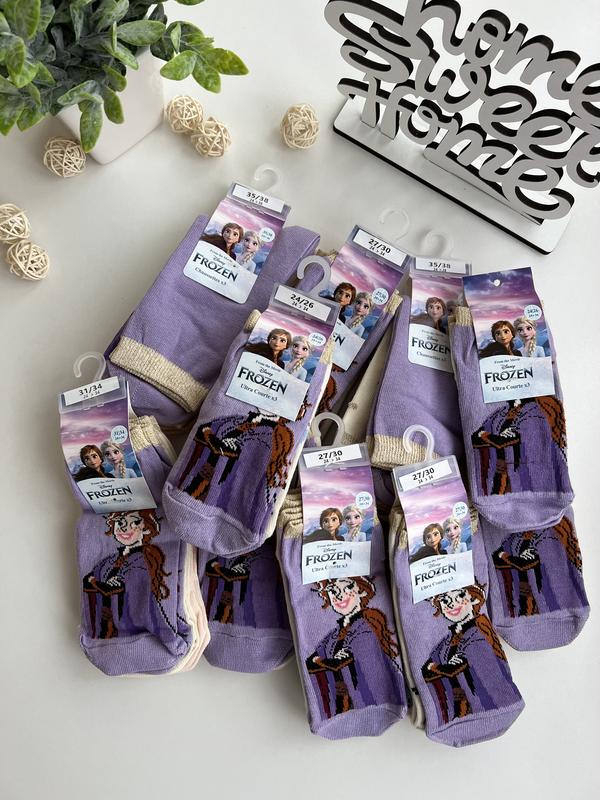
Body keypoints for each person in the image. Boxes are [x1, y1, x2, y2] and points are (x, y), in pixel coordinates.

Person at [421, 583, 521, 725]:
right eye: (444, 600)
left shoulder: (478, 632)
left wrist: (434, 667)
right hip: (461, 707)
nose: (451, 604)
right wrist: (438, 667)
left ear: (474, 598)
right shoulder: (450, 638)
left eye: (460, 596)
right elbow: (425, 669)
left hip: (487, 703)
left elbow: (451, 669)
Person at [305, 576, 405, 719]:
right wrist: (327, 662)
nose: (339, 596)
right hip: (344, 703)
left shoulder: (366, 627)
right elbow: (310, 661)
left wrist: (322, 661)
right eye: (332, 591)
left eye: (347, 587)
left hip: (369, 698)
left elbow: (338, 663)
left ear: (362, 590)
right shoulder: (336, 634)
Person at [82, 510, 173, 639]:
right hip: (106, 627)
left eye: (135, 522)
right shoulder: (110, 560)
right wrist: (98, 584)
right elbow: (90, 580)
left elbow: (112, 588)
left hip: (131, 625)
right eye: (119, 523)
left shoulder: (142, 560)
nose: (124, 528)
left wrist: (94, 582)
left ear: (146, 528)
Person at [471, 396, 569, 496]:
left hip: (522, 474)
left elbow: (502, 442)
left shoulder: (533, 412)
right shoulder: (502, 412)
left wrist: (483, 435)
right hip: (500, 474)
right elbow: (474, 437)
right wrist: (486, 435)